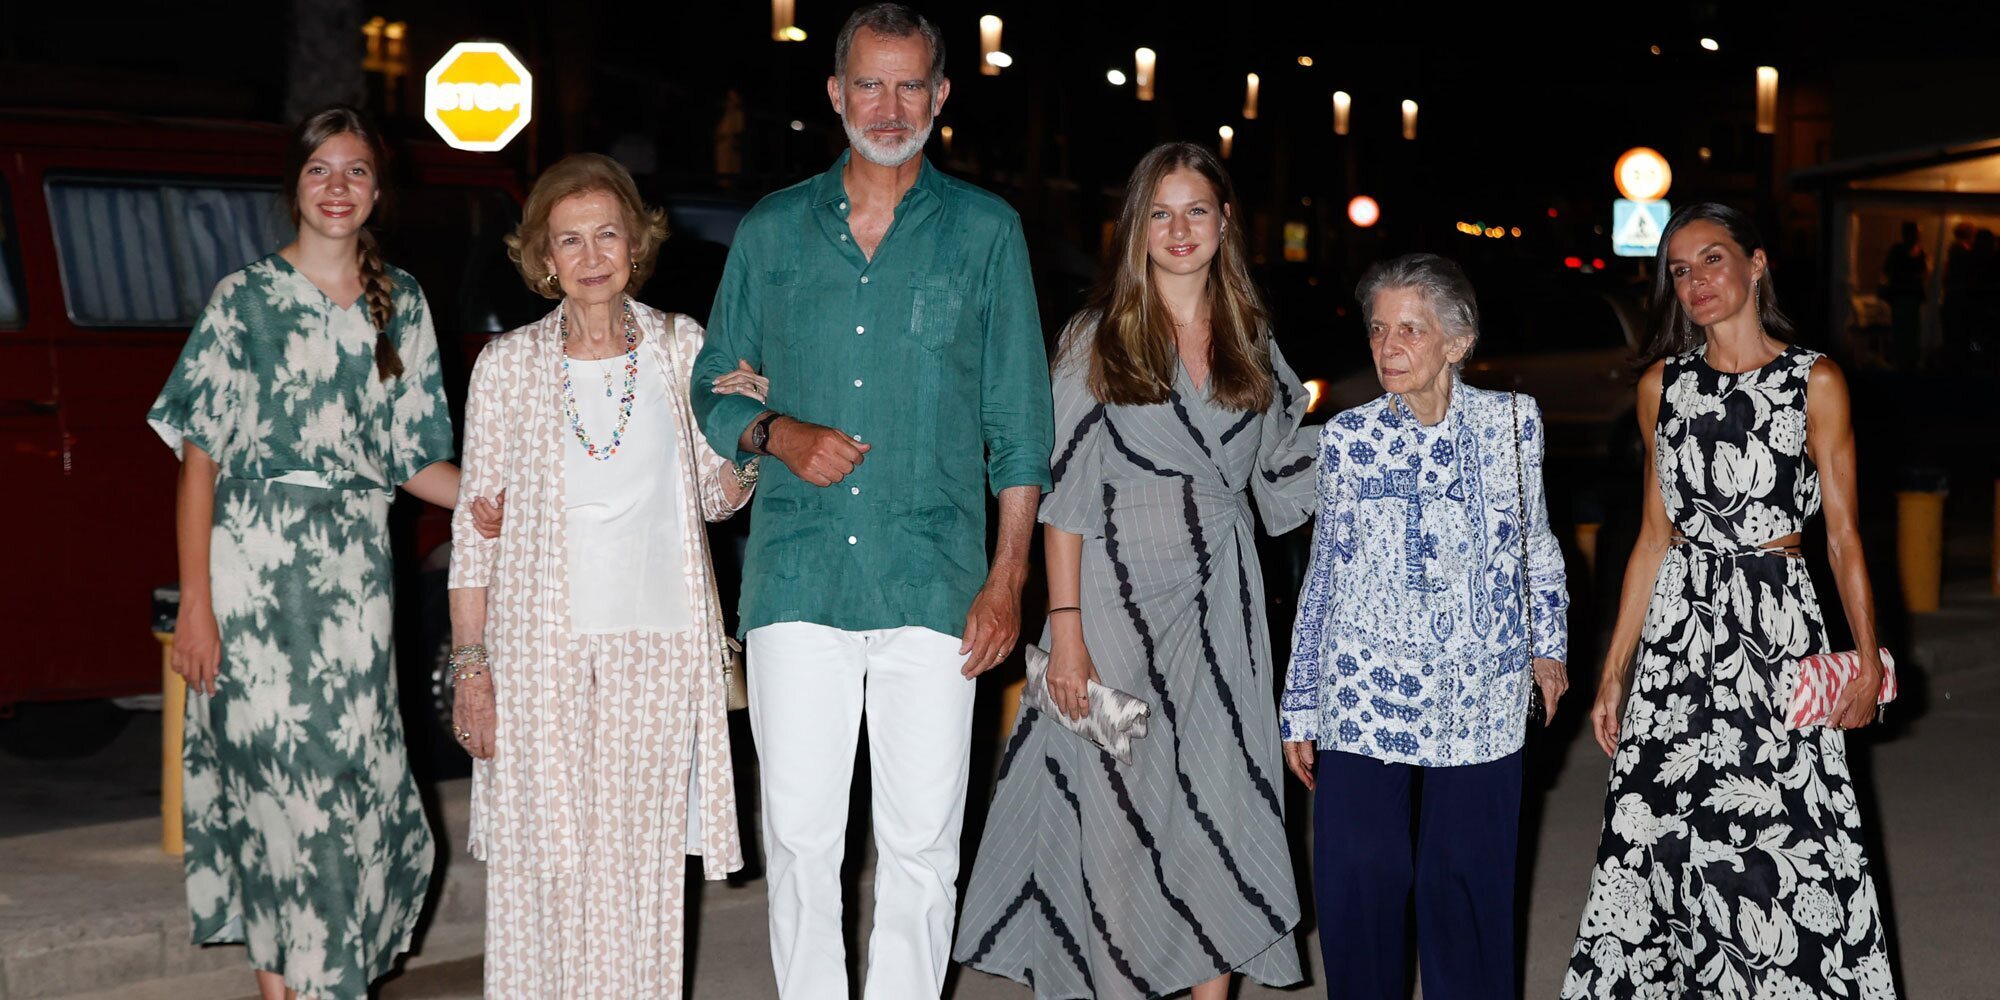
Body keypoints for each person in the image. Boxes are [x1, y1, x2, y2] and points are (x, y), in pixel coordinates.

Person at [688, 4, 1054, 997]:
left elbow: (1020, 421)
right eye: (867, 84)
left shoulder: (984, 233)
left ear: (939, 97)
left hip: (936, 580)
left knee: (921, 845)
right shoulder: (771, 231)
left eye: (907, 86)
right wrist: (775, 433)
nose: (886, 107)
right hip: (797, 577)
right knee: (802, 842)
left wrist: (1007, 576)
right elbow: (712, 379)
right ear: (834, 94)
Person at [954, 141, 1314, 1000]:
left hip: (1223, 618)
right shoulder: (1096, 338)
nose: (1179, 229)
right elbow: (1064, 498)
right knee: (1121, 826)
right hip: (1115, 612)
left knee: (1222, 812)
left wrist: (1390, 441)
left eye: (1196, 210)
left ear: (1225, 223)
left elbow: (1280, 472)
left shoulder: (1251, 339)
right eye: (1161, 212)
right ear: (1136, 229)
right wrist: (1068, 634)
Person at [148, 105, 459, 1000]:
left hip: (355, 587)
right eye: (320, 169)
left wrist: (505, 506)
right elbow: (197, 465)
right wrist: (196, 605)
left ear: (377, 190)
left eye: (356, 170)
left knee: (354, 795)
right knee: (276, 799)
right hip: (247, 582)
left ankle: (304, 983)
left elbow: (413, 461)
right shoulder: (241, 300)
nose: (337, 186)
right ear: (295, 184)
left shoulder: (401, 301)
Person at [445, 153, 768, 998]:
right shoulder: (507, 367)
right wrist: (472, 672)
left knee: (639, 879)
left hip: (656, 651)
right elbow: (474, 534)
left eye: (607, 235)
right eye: (570, 240)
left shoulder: (679, 346)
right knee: (540, 873)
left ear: (636, 242)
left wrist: (747, 441)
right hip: (539, 653)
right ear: (544, 258)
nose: (591, 256)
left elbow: (714, 499)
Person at [1562, 202, 1897, 999]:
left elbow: (1845, 539)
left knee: (1784, 836)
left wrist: (1864, 659)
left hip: (1778, 625)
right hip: (1680, 634)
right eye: (1679, 271)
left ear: (1756, 264)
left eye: (1712, 260)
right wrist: (1615, 668)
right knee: (1662, 833)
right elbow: (1651, 538)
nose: (1695, 282)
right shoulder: (1661, 388)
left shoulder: (1813, 381)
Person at [1280, 253, 1570, 1000]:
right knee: (1361, 879)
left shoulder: (1513, 423)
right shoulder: (1347, 438)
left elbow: (1536, 543)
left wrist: (1549, 647)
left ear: (1457, 341)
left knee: (1466, 884)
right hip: (1364, 687)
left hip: (1480, 686)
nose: (1388, 346)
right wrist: (1301, 702)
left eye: (1410, 328)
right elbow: (1326, 575)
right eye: (1378, 330)